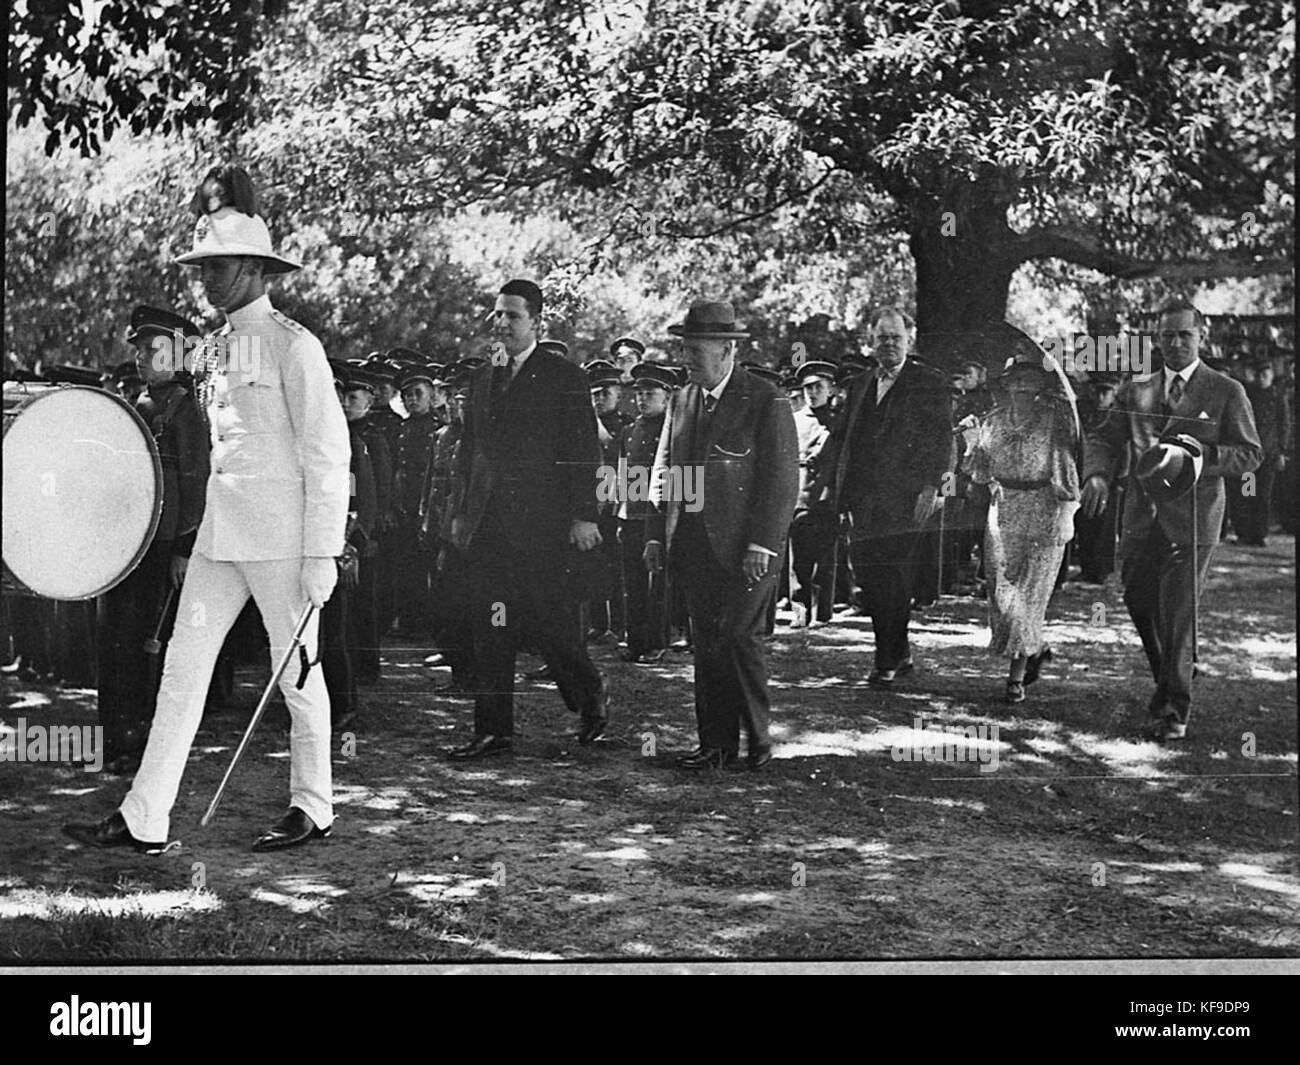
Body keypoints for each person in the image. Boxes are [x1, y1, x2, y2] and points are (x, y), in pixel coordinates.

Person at [64, 181, 351, 853]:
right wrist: (197, 535)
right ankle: (145, 815)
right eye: (201, 270)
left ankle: (313, 804)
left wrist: (321, 552)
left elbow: (326, 451)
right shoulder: (216, 348)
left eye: (218, 268)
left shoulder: (294, 345)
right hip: (222, 537)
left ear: (256, 268)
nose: (207, 282)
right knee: (181, 670)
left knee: (299, 674)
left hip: (283, 540)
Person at [1081, 299, 1262, 741]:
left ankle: (1173, 709)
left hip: (1195, 520)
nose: (1176, 343)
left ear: (1202, 336)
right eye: (1167, 336)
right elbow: (1105, 437)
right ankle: (1174, 671)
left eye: (1185, 334)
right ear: (1156, 339)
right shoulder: (1135, 389)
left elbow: (1250, 453)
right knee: (1138, 600)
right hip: (1143, 518)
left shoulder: (1225, 390)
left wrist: (1200, 458)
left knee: (1178, 610)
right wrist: (1100, 475)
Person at [446, 279, 608, 759]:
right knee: (490, 626)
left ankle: (590, 696)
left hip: (544, 529)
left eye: (512, 316)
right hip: (490, 530)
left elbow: (584, 453)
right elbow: (468, 453)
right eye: (497, 315)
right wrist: (459, 513)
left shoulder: (563, 377)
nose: (501, 324)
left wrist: (584, 515)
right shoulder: (481, 379)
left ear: (537, 322)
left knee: (551, 627)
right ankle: (494, 731)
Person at [644, 301, 798, 769]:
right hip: (694, 545)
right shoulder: (683, 399)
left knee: (737, 635)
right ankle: (715, 746)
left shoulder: (766, 397)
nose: (686, 358)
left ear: (727, 349)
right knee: (707, 642)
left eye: (695, 349)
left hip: (749, 550)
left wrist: (762, 543)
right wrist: (655, 535)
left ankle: (759, 740)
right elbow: (666, 473)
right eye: (684, 348)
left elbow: (782, 478)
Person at [94, 306, 209, 773]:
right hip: (127, 542)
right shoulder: (143, 403)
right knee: (115, 640)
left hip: (160, 547)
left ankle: (139, 745)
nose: (140, 357)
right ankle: (114, 740)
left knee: (146, 645)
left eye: (149, 349)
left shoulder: (185, 409)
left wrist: (183, 549)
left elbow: (197, 484)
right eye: (139, 349)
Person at [811, 308, 953, 686]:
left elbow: (943, 441)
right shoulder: (860, 385)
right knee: (870, 577)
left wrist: (934, 489)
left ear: (909, 339)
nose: (888, 344)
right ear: (871, 342)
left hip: (907, 498)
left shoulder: (929, 382)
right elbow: (844, 441)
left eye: (895, 338)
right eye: (882, 338)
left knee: (895, 577)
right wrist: (834, 490)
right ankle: (900, 651)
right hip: (864, 499)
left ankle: (885, 659)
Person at [969, 350, 1080, 703]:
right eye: (1016, 381)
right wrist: (972, 445)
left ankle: (1015, 678)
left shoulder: (1054, 422)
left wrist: (1066, 515)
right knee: (1004, 596)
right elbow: (978, 473)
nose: (1022, 387)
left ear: (1040, 387)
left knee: (1029, 598)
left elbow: (1066, 472)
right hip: (1003, 514)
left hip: (1044, 512)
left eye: (1029, 381)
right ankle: (1034, 648)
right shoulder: (993, 421)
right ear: (1007, 385)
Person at [618, 362, 676, 662]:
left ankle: (657, 642)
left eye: (649, 393)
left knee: (658, 586)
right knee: (633, 583)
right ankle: (635, 641)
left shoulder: (675, 430)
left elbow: (680, 476)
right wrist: (619, 513)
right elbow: (621, 472)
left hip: (661, 517)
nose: (642, 399)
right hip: (632, 517)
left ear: (667, 396)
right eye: (639, 393)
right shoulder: (630, 430)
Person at [340, 366, 392, 682]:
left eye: (353, 398)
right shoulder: (340, 434)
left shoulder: (372, 437)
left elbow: (380, 489)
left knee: (364, 602)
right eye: (343, 397)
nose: (346, 404)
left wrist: (369, 534)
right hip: (349, 527)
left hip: (366, 531)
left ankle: (368, 666)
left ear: (368, 402)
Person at [388, 365, 444, 638]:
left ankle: (432, 627)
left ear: (432, 396)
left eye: (418, 393)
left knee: (432, 571)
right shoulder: (402, 428)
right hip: (405, 509)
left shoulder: (440, 428)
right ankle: (412, 623)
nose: (412, 399)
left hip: (429, 509)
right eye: (407, 395)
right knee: (407, 569)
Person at [787, 360, 838, 624]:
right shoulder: (793, 421)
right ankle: (800, 609)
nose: (812, 393)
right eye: (808, 388)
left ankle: (822, 611)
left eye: (819, 387)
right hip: (800, 491)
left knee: (825, 556)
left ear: (831, 389)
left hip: (829, 494)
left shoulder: (840, 422)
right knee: (799, 556)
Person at [1235, 358, 1292, 546]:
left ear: (1271, 377)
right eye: (1258, 375)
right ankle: (1244, 533)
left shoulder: (1278, 398)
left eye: (1265, 375)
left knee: (1263, 496)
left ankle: (1260, 534)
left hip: (1269, 455)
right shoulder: (1248, 396)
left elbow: (1284, 426)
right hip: (1249, 456)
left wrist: (1281, 451)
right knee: (1246, 494)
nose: (1261, 379)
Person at [1072, 371, 1122, 583]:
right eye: (1097, 391)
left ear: (1116, 391)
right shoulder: (1083, 411)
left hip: (1112, 478)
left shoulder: (1119, 414)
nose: (1101, 397)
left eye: (1106, 392)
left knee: (1105, 525)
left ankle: (1101, 570)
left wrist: (1118, 479)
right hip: (1085, 473)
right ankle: (1087, 567)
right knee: (1085, 521)